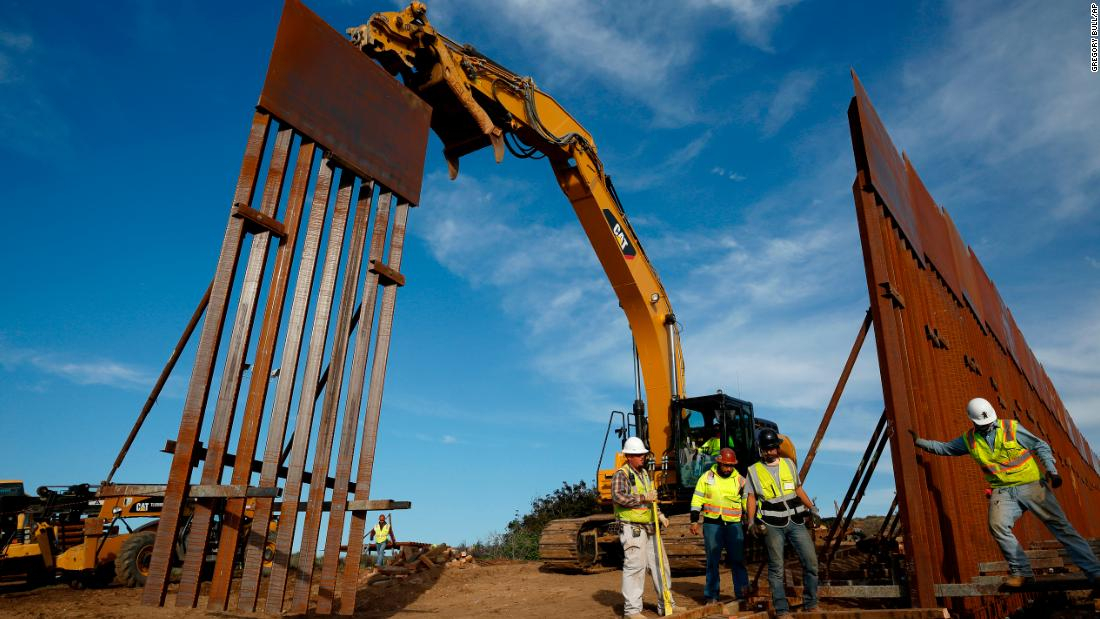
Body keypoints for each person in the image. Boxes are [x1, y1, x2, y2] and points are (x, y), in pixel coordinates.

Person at [909, 397, 1100, 588]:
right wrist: (920, 442)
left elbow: (1040, 445)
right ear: (973, 421)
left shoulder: (1011, 428)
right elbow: (945, 448)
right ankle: (1022, 573)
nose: (988, 425)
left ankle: (1095, 574)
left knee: (1063, 529)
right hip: (1003, 491)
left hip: (1032, 485)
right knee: (997, 525)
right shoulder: (969, 440)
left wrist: (1051, 469)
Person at [745, 429, 819, 617]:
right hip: (772, 525)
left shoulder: (789, 465)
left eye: (773, 448)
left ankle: (811, 602)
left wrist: (812, 507)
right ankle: (782, 609)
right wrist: (751, 521)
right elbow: (751, 497)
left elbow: (798, 489)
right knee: (776, 568)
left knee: (811, 563)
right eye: (766, 449)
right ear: (761, 450)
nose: (770, 452)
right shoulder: (753, 471)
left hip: (796, 521)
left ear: (777, 448)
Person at [613, 436, 676, 619]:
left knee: (661, 566)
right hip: (633, 528)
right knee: (636, 568)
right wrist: (643, 498)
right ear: (628, 456)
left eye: (642, 454)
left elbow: (651, 501)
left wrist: (660, 514)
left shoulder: (644, 475)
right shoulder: (622, 474)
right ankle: (632, 611)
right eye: (638, 454)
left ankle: (667, 605)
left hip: (650, 526)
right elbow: (618, 496)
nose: (642, 457)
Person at [689, 447, 748, 605]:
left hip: (734, 525)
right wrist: (694, 520)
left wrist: (752, 519)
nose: (728, 468)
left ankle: (742, 594)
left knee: (737, 560)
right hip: (712, 524)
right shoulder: (706, 477)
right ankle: (711, 596)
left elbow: (747, 502)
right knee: (712, 561)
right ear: (719, 462)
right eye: (726, 465)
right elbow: (697, 499)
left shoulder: (741, 480)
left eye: (731, 466)